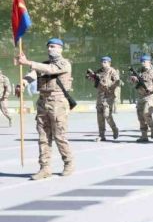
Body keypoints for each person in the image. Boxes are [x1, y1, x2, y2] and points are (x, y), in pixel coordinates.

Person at [16, 38, 74, 180]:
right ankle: (45, 168)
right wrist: (22, 83)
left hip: (58, 102)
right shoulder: (43, 64)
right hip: (43, 102)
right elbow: (32, 74)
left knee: (59, 135)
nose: (49, 49)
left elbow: (50, 70)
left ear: (60, 49)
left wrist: (28, 62)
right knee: (43, 137)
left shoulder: (64, 64)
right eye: (48, 47)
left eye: (53, 46)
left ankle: (68, 163)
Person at [87, 56, 120, 141]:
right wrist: (91, 77)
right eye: (102, 62)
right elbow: (92, 80)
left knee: (106, 114)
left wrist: (108, 85)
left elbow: (117, 82)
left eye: (105, 62)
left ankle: (114, 129)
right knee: (100, 115)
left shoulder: (112, 71)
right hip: (100, 95)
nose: (103, 63)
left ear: (109, 63)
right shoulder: (99, 71)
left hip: (109, 95)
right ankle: (101, 135)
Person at [130, 55, 153, 143]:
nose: (143, 63)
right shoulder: (139, 71)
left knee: (146, 113)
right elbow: (133, 82)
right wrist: (132, 79)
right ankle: (144, 135)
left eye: (145, 61)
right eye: (142, 61)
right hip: (140, 96)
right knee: (140, 116)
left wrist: (152, 88)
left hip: (149, 96)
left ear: (149, 62)